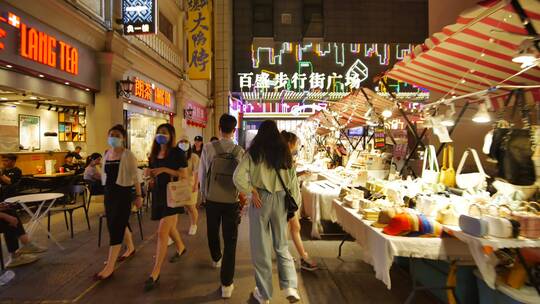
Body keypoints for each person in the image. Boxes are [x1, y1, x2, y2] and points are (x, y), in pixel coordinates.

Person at [233, 120, 300, 304]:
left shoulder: (254, 153)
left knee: (260, 248)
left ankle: (264, 294)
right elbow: (293, 181)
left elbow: (237, 177)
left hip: (260, 200)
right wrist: (294, 206)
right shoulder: (285, 152)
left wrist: (250, 191)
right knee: (281, 245)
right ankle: (290, 287)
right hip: (280, 200)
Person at [199, 114, 243, 299]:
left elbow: (202, 173)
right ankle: (226, 284)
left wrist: (204, 195)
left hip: (213, 199)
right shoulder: (239, 150)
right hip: (231, 201)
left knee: (212, 230)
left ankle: (216, 257)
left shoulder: (209, 148)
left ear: (219, 128)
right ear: (234, 130)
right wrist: (242, 197)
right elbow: (241, 178)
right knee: (231, 241)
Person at [94, 124, 142, 281]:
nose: (113, 138)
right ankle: (131, 247)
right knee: (117, 223)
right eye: (111, 134)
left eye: (117, 135)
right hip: (109, 195)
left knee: (115, 227)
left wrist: (139, 196)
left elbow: (136, 178)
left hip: (123, 194)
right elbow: (105, 176)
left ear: (123, 138)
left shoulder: (128, 155)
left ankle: (110, 267)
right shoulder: (106, 153)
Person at [145, 123, 187, 292]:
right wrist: (151, 175)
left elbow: (183, 174)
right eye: (159, 132)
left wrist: (164, 169)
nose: (161, 135)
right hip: (158, 195)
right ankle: (181, 247)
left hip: (172, 195)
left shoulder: (177, 152)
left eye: (164, 132)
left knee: (162, 231)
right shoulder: (154, 153)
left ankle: (155, 272)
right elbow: (154, 172)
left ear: (171, 135)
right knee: (169, 229)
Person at [281, 131, 318, 271]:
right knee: (293, 228)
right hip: (288, 201)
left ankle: (292, 255)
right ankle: (302, 257)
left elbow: (289, 178)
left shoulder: (285, 158)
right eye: (295, 142)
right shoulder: (286, 159)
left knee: (293, 228)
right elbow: (287, 181)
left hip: (290, 201)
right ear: (290, 144)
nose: (297, 145)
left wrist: (300, 173)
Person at [178, 136, 199, 235]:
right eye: (181, 141)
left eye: (185, 141)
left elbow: (196, 172)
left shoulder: (194, 157)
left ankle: (194, 224)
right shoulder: (175, 156)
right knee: (175, 209)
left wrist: (195, 185)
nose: (183, 143)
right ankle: (172, 230)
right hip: (178, 185)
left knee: (191, 207)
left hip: (190, 184)